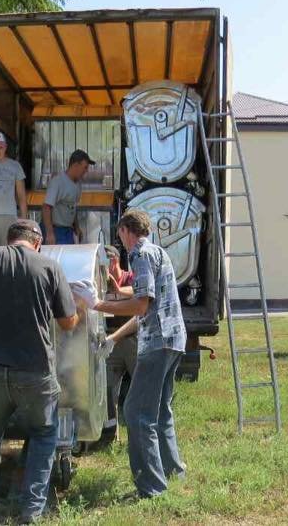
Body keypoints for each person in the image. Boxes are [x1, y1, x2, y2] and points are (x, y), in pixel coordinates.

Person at [0, 219, 80, 524]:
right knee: (43, 433)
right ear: (37, 242)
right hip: (34, 369)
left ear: (10, 239)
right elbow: (68, 323)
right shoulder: (49, 267)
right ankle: (32, 508)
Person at [71, 210, 187, 499]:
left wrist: (96, 304)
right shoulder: (158, 252)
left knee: (136, 412)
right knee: (161, 410)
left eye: (120, 234)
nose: (120, 241)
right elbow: (144, 299)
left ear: (125, 230)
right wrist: (116, 295)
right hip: (173, 340)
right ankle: (173, 471)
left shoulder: (139, 254)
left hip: (157, 344)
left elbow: (141, 306)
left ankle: (151, 488)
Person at [98, 245, 137, 446]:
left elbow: (139, 291)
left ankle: (141, 435)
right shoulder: (98, 283)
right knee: (106, 388)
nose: (105, 269)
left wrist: (118, 289)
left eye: (108, 262)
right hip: (110, 341)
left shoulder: (131, 277)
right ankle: (110, 435)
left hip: (132, 340)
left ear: (115, 261)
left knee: (140, 387)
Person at [42, 149, 93, 245]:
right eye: (85, 167)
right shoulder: (57, 182)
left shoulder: (78, 185)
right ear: (75, 165)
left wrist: (76, 227)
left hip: (68, 230)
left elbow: (72, 207)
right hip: (55, 230)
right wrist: (49, 233)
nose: (86, 171)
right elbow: (46, 207)